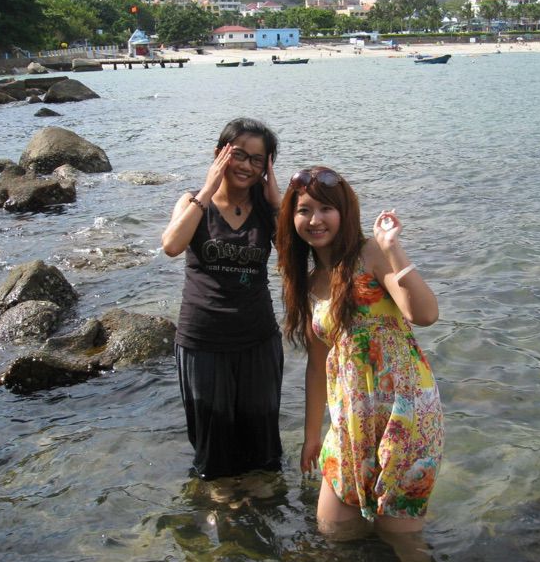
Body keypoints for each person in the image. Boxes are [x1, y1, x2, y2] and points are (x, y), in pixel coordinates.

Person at [276, 166, 444, 536]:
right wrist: (312, 436)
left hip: (405, 412)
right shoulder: (308, 282)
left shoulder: (371, 253)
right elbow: (317, 365)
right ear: (292, 218)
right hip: (350, 418)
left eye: (326, 208)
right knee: (333, 531)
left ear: (345, 212)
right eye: (304, 210)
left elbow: (425, 314)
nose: (315, 220)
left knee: (401, 540)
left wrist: (393, 248)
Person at [162, 117, 284, 481]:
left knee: (262, 446)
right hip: (203, 340)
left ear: (267, 167)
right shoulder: (192, 202)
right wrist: (207, 190)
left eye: (258, 160)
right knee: (213, 446)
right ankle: (220, 503)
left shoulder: (266, 210)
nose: (247, 166)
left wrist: (278, 204)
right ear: (220, 154)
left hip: (258, 339)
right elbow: (171, 245)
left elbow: (295, 256)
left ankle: (262, 502)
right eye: (239, 155)